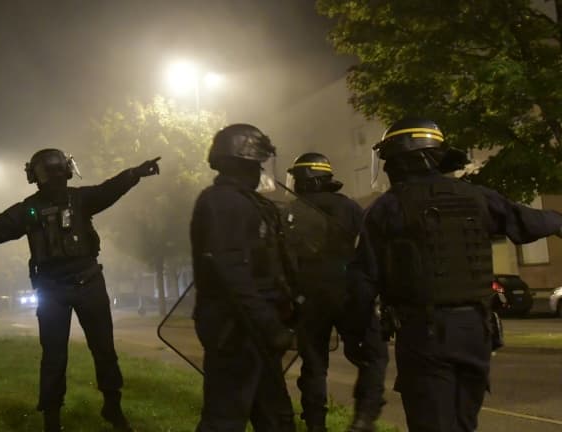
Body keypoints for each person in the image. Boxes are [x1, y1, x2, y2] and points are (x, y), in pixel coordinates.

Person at [347, 118, 562, 432]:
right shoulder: (477, 197)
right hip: (476, 332)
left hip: (425, 335)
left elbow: (362, 281)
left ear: (401, 160)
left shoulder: (388, 208)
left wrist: (357, 337)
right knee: (464, 424)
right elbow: (530, 222)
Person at [0, 148, 160, 432]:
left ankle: (79, 415)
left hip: (77, 285)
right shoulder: (59, 203)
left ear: (34, 176)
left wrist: (133, 175)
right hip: (68, 287)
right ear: (66, 170)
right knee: (85, 352)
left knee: (73, 353)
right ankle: (102, 410)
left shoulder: (49, 205)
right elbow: (108, 190)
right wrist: (134, 174)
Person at [191, 123, 296, 432]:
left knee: (277, 419)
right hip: (234, 331)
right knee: (224, 420)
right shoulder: (223, 202)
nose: (260, 170)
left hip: (255, 330)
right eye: (256, 164)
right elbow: (232, 271)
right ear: (242, 163)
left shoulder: (250, 202)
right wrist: (267, 321)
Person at [284, 153, 388, 432]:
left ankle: (316, 425)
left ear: (304, 180)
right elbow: (368, 251)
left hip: (308, 299)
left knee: (314, 365)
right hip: (349, 294)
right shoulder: (350, 208)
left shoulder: (291, 211)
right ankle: (363, 418)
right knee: (373, 355)